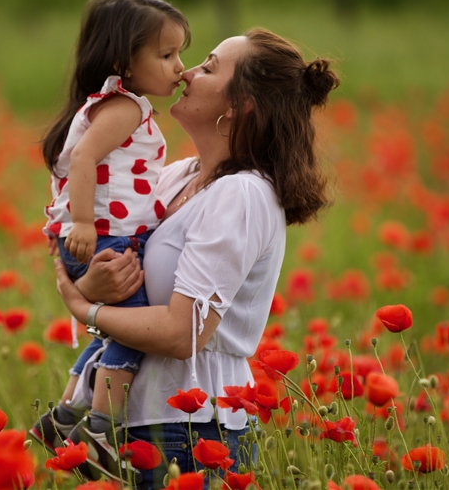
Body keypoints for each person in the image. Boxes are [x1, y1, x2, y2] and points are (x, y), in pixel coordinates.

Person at [55, 28, 340, 487]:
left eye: (208, 67)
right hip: (135, 421)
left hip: (189, 428)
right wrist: (89, 289)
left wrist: (85, 308)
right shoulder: (175, 178)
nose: (186, 71)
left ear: (241, 105)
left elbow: (181, 332)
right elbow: (91, 257)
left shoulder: (242, 194)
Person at [31, 0, 190, 478]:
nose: (179, 68)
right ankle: (101, 425)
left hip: (105, 236)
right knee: (134, 333)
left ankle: (65, 415)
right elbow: (82, 161)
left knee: (111, 329)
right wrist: (82, 224)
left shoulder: (109, 105)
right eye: (166, 56)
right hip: (105, 239)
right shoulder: (122, 106)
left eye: (180, 53)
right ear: (124, 61)